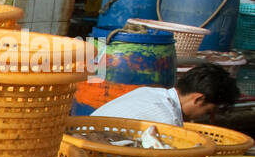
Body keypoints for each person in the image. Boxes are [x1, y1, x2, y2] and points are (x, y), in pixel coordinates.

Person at [92, 65, 239, 125]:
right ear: (198, 99)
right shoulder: (167, 119)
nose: (205, 117)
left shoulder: (148, 92)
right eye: (208, 111)